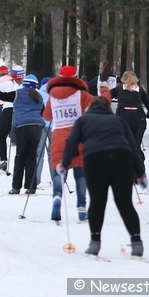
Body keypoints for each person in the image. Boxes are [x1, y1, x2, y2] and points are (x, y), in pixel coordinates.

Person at [58, 96, 147, 257]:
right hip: (122, 156)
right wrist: (140, 173)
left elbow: (72, 143)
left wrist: (64, 163)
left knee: (98, 202)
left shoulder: (83, 120)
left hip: (95, 158)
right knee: (125, 202)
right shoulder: (118, 121)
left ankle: (95, 243)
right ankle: (136, 242)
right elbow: (133, 146)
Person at [43, 65, 112, 223]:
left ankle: (57, 197)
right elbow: (102, 103)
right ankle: (81, 209)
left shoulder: (52, 95)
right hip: (79, 136)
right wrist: (105, 89)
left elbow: (46, 117)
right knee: (81, 174)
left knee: (60, 172)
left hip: (58, 136)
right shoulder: (80, 94)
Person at [0, 74, 45, 194]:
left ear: (24, 84)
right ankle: (31, 187)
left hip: (23, 127)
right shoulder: (39, 96)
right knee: (31, 156)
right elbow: (43, 111)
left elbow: (0, 95)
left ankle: (16, 187)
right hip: (37, 127)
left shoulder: (17, 93)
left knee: (20, 155)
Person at [109, 71, 149, 161]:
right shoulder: (140, 89)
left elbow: (106, 96)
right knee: (135, 143)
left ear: (122, 80)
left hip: (123, 116)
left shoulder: (119, 88)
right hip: (138, 118)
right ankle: (139, 162)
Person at [0, 65, 21, 172]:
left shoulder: (6, 84)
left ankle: (3, 160)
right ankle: (20, 159)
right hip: (21, 111)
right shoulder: (25, 85)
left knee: (1, 135)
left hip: (8, 109)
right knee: (20, 137)